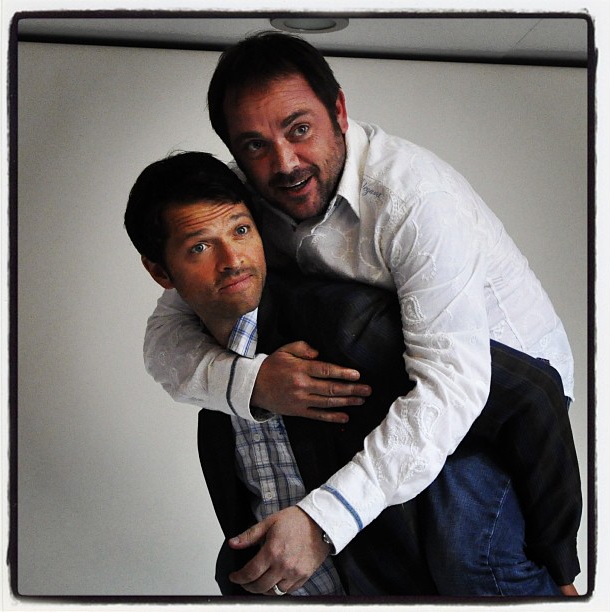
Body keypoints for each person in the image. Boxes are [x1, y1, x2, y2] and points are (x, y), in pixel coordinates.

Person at [127, 151, 581, 597]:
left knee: (470, 549)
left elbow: (533, 392)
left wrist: (560, 566)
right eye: (200, 247)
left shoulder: (341, 324)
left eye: (241, 230)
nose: (232, 259)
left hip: (418, 584)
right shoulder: (207, 388)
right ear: (160, 272)